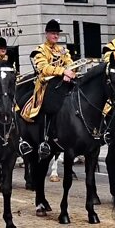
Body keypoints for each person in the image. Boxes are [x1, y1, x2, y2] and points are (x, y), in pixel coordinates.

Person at [20, 19, 76, 156]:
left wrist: (70, 72)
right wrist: (62, 72)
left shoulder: (63, 50)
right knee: (50, 104)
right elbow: (43, 68)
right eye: (53, 33)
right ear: (46, 34)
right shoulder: (40, 50)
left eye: (57, 34)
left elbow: (70, 63)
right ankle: (45, 139)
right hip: (46, 85)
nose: (55, 36)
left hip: (64, 82)